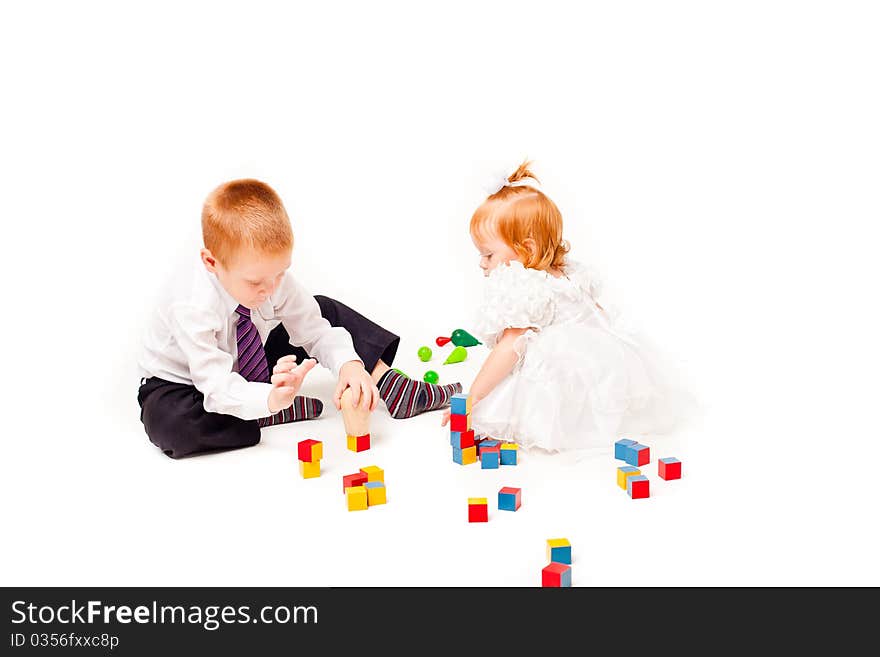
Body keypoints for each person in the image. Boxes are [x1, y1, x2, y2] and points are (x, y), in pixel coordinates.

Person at [138, 178, 461, 458]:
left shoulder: (271, 281)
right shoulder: (191, 305)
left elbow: (315, 330)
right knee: (172, 425)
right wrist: (269, 397)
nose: (270, 289)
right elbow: (216, 384)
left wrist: (349, 364)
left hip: (252, 360)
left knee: (325, 309)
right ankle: (270, 408)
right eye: (255, 282)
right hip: (191, 383)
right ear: (211, 261)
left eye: (280, 274)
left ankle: (388, 384)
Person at [441, 160, 693, 453]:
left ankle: (551, 428)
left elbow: (509, 348)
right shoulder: (568, 273)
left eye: (488, 254)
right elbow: (597, 315)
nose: (482, 264)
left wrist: (473, 398)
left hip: (567, 370)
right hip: (604, 364)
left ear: (527, 250)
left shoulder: (524, 286)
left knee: (538, 369)